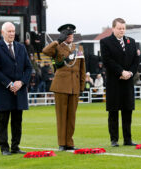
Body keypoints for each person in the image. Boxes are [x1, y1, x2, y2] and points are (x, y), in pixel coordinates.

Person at [0, 22, 32, 155]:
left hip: (19, 91)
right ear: (3, 33)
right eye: (9, 31)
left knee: (17, 121)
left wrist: (22, 82)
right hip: (4, 91)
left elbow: (29, 67)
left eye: (13, 31)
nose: (12, 33)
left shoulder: (21, 47)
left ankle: (15, 146)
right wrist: (9, 84)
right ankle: (4, 148)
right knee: (3, 121)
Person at [43, 23, 86, 151]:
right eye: (67, 34)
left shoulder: (78, 48)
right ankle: (62, 143)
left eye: (71, 34)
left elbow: (82, 68)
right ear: (63, 35)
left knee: (72, 116)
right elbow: (45, 51)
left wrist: (82, 85)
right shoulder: (57, 47)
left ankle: (70, 142)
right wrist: (57, 41)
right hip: (61, 85)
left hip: (74, 86)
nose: (70, 36)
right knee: (62, 116)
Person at [100, 18, 139, 147]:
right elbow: (107, 61)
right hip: (114, 82)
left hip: (128, 82)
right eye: (119, 28)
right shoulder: (105, 42)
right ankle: (114, 140)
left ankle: (128, 139)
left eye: (123, 28)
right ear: (113, 28)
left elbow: (136, 61)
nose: (122, 30)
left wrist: (130, 73)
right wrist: (121, 72)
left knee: (128, 111)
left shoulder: (131, 42)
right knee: (113, 112)